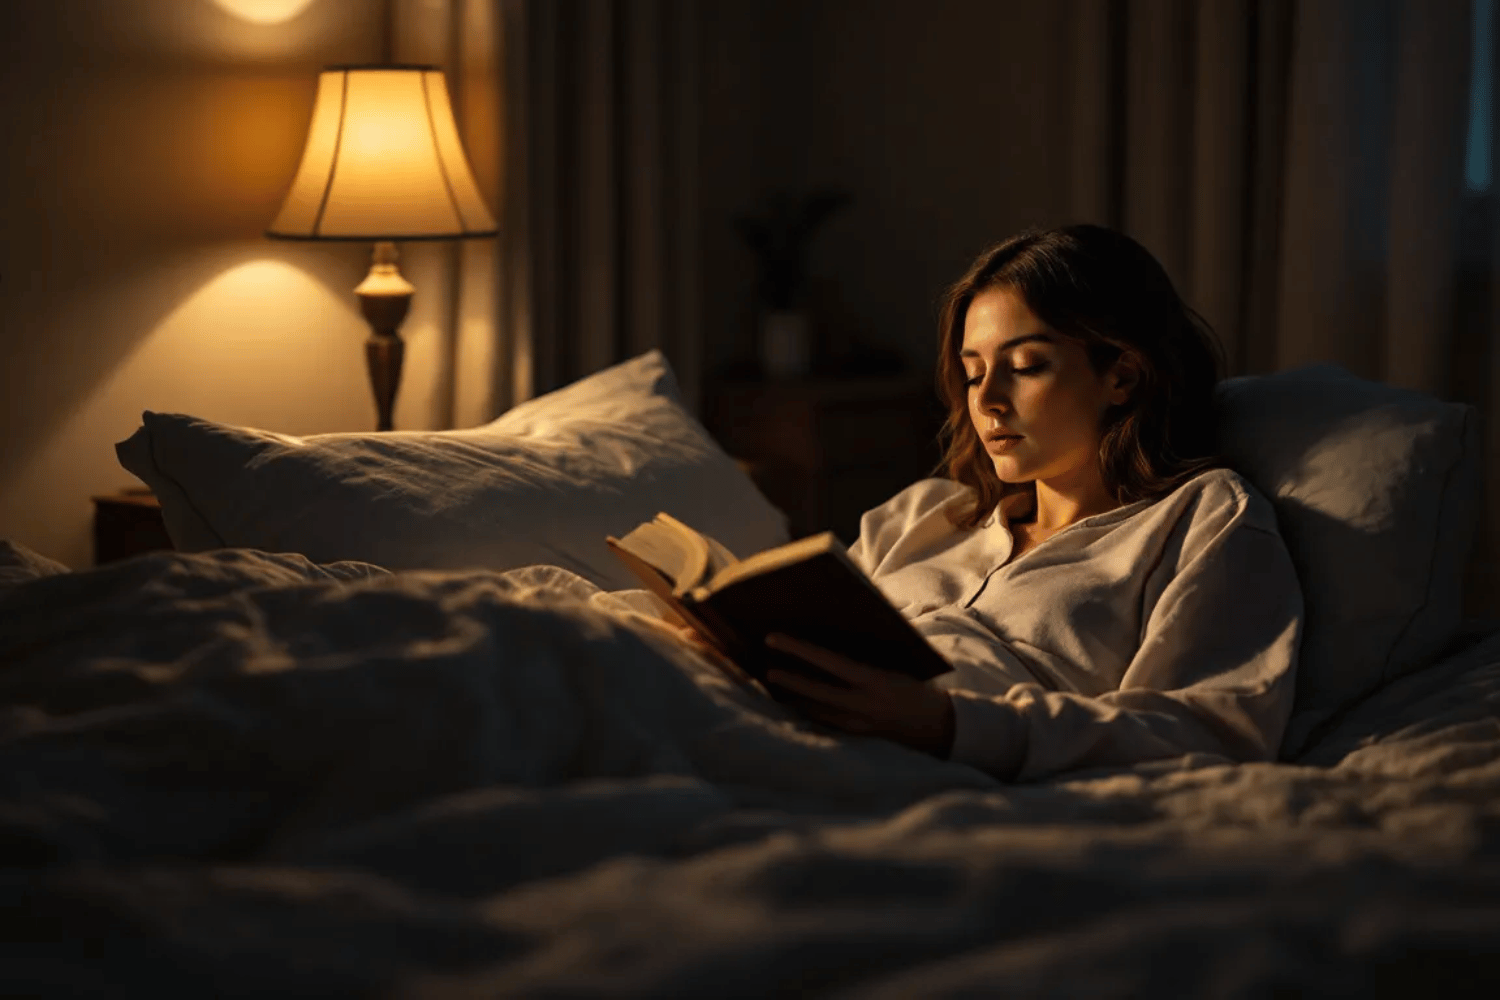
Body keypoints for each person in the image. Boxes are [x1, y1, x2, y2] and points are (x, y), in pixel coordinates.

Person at [676, 223, 1302, 783]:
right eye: (974, 373)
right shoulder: (926, 515)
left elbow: (1211, 728)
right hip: (773, 714)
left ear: (1123, 375)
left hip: (911, 766)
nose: (988, 401)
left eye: (1025, 366)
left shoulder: (1205, 520)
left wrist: (950, 726)